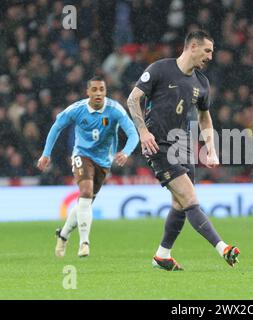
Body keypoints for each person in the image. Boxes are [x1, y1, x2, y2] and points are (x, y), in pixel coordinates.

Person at [127, 30, 240, 271]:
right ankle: (224, 249)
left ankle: (162, 255)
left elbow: (204, 117)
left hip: (183, 146)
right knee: (189, 199)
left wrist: (211, 149)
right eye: (207, 50)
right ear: (193, 47)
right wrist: (142, 132)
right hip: (157, 145)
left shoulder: (202, 83)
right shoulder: (160, 69)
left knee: (180, 204)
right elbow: (132, 99)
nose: (210, 56)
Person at [37, 76, 139, 257]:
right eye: (95, 90)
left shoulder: (115, 110)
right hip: (81, 155)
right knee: (85, 192)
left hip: (103, 162)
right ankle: (84, 242)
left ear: (105, 92)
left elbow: (133, 134)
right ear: (88, 92)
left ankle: (63, 235)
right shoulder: (77, 109)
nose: (98, 93)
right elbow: (56, 127)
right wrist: (46, 154)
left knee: (85, 203)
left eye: (102, 89)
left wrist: (126, 152)